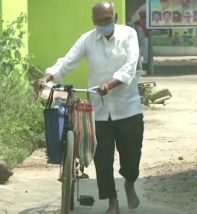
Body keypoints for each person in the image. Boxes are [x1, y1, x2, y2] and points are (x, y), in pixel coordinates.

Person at [35, 2, 143, 213]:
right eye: (100, 21)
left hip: (128, 109)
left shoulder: (129, 34)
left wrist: (111, 84)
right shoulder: (87, 39)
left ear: (115, 16)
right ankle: (112, 202)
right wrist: (46, 77)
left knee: (132, 157)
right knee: (102, 159)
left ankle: (129, 183)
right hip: (100, 112)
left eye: (108, 19)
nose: (104, 23)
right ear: (94, 21)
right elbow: (67, 61)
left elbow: (131, 65)